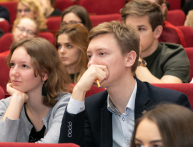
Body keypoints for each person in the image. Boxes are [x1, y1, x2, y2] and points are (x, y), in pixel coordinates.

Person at [58, 21, 191, 147]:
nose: (91, 63)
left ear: (129, 59)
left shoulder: (171, 102)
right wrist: (78, 91)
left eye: (102, 53)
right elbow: (71, 144)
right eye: (90, 56)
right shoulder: (90, 107)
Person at [0, 38, 71, 143]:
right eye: (12, 64)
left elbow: (51, 145)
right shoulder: (4, 106)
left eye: (24, 66)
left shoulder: (64, 103)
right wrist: (16, 100)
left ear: (44, 74)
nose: (14, 72)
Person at [121, 0, 190, 83]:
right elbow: (102, 89)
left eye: (141, 29)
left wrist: (137, 61)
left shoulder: (175, 55)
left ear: (157, 32)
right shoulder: (119, 56)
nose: (133, 35)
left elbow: (166, 93)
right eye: (129, 29)